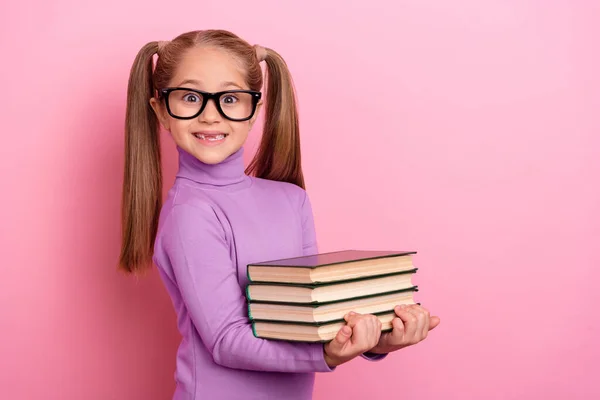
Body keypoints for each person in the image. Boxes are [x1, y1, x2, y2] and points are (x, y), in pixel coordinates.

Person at [119, 29, 439, 400]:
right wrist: (327, 354)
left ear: (254, 109)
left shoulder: (292, 200)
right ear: (160, 110)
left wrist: (379, 338)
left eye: (230, 98)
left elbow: (313, 314)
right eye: (190, 97)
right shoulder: (190, 214)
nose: (210, 115)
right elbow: (226, 339)